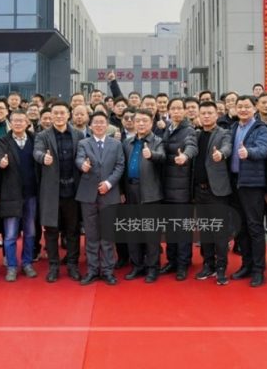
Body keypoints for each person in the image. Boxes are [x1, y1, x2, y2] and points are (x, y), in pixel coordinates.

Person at [34, 101, 85, 283]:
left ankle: (72, 264)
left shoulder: (78, 135)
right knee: (51, 230)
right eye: (55, 113)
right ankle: (53, 266)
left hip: (72, 190)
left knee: (72, 230)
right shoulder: (42, 136)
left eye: (62, 113)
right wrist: (43, 158)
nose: (59, 116)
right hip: (51, 191)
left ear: (68, 115)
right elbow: (37, 152)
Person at [75, 112, 124, 286]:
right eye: (95, 122)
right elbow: (79, 159)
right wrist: (83, 165)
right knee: (91, 234)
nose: (99, 125)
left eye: (102, 122)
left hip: (109, 194)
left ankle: (108, 270)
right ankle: (92, 270)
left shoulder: (116, 144)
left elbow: (120, 165)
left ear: (107, 125)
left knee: (108, 235)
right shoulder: (83, 143)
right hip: (88, 194)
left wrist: (109, 183)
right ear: (90, 126)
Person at [230, 95, 267, 287]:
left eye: (247, 106)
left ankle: (258, 269)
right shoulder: (233, 128)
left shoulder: (261, 129)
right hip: (235, 182)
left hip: (252, 184)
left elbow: (263, 150)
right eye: (240, 106)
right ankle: (246, 265)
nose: (243, 109)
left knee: (255, 227)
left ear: (254, 108)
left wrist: (249, 152)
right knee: (241, 228)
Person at [120, 110, 165, 283]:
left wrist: (152, 155)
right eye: (137, 120)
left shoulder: (157, 141)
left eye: (144, 121)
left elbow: (163, 157)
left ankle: (153, 268)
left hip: (150, 192)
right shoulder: (127, 142)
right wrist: (121, 191)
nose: (140, 124)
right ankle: (137, 265)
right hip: (130, 190)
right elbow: (121, 166)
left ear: (151, 122)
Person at [192, 101, 233, 285]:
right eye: (203, 113)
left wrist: (221, 154)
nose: (206, 116)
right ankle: (208, 264)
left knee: (219, 231)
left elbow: (227, 147)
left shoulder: (224, 133)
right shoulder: (196, 135)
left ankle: (221, 267)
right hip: (199, 190)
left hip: (217, 191)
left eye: (210, 113)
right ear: (199, 116)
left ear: (217, 115)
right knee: (205, 231)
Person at [0, 111, 38, 282]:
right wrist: (0, 162)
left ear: (27, 122)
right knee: (10, 234)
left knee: (30, 231)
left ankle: (27, 263)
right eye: (15, 121)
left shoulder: (35, 139)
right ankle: (11, 266)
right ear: (10, 123)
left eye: (21, 120)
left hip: (31, 193)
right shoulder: (2, 142)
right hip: (11, 194)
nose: (18, 123)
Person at [160, 97, 198, 279]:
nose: (176, 112)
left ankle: (183, 264)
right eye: (173, 108)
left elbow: (192, 147)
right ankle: (172, 261)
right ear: (168, 111)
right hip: (166, 187)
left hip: (182, 189)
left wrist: (185, 156)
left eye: (179, 108)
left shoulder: (189, 130)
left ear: (184, 111)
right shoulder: (167, 129)